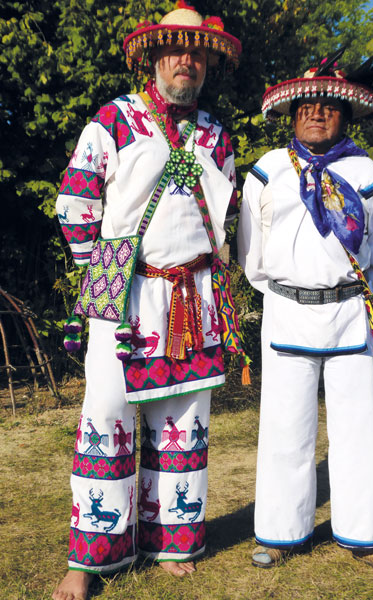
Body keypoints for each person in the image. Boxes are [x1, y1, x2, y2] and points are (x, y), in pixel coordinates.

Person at [53, 3, 241, 599]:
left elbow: (226, 216)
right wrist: (102, 273)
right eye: (176, 51)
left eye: (198, 53)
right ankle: (90, 556)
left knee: (183, 414)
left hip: (194, 290)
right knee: (105, 413)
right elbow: (76, 204)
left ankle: (172, 541)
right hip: (119, 282)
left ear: (207, 63)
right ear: (153, 57)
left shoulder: (216, 135)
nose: (188, 62)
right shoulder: (112, 122)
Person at [238, 55, 373, 574]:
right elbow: (251, 252)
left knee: (358, 429)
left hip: (349, 316)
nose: (317, 114)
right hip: (286, 313)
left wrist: (347, 292)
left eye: (329, 107)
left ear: (346, 115)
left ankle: (366, 537)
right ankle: (281, 533)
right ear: (292, 113)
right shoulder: (267, 171)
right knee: (285, 429)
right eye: (307, 106)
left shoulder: (366, 173)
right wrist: (286, 292)